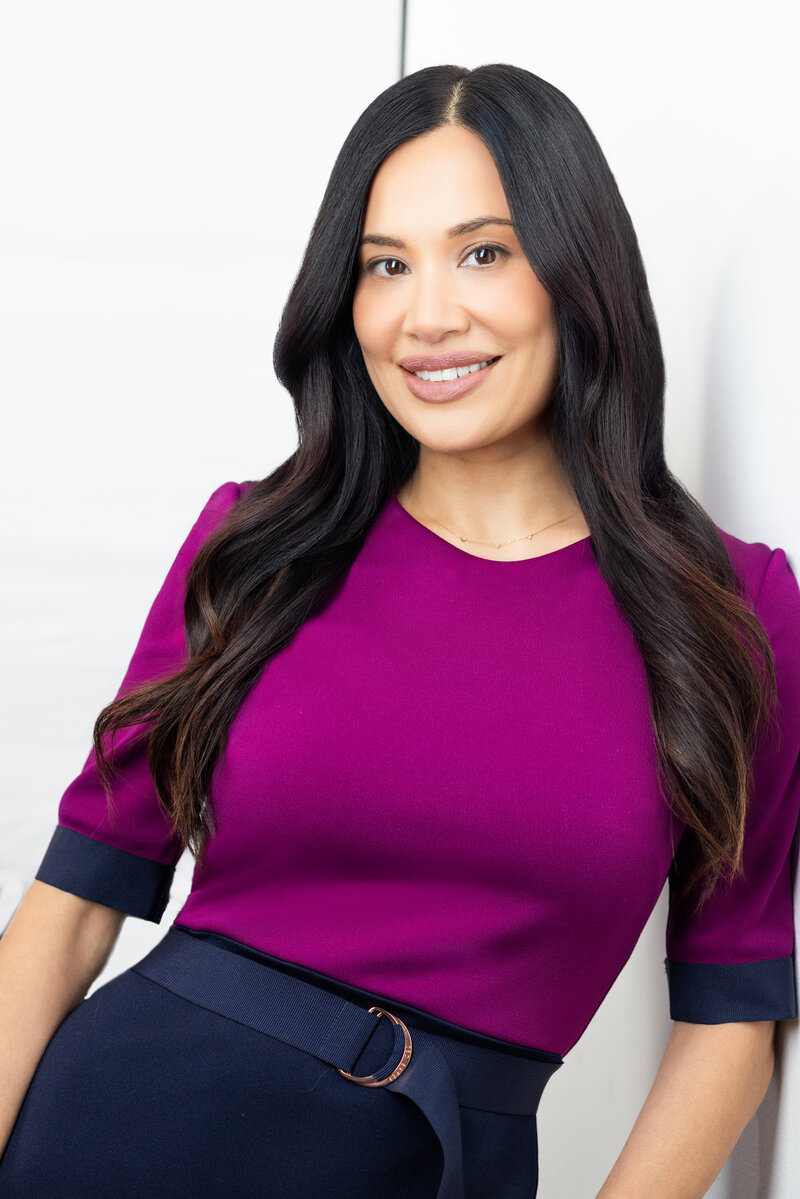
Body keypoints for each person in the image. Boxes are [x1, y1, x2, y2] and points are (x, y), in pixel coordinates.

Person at [1, 61, 798, 1199]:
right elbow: (70, 911)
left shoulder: (735, 610)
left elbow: (730, 1016)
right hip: (114, 1136)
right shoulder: (256, 544)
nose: (427, 315)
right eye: (385, 264)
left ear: (578, 272)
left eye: (483, 251)